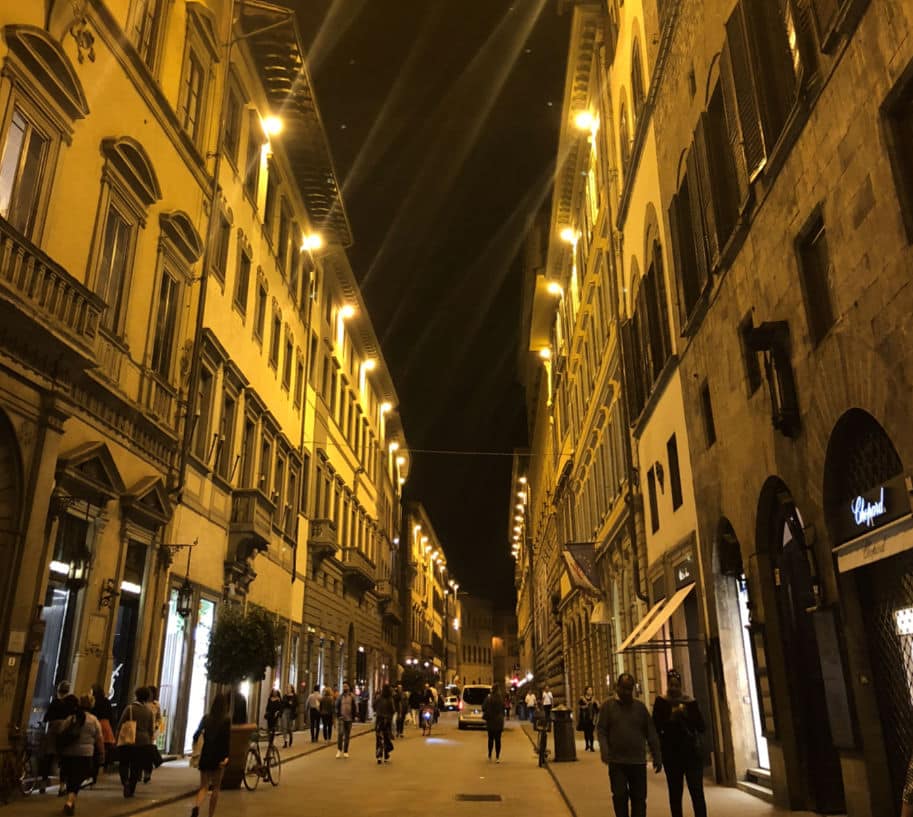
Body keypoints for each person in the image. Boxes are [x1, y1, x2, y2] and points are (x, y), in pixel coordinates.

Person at [597, 673, 662, 817]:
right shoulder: (608, 707)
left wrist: (657, 754)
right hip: (617, 761)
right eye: (624, 688)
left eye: (629, 689)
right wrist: (604, 749)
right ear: (617, 687)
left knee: (639, 799)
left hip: (637, 761)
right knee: (619, 797)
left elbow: (650, 732)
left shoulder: (640, 708)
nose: (626, 692)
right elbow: (601, 730)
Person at [652, 669, 707, 817]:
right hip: (672, 755)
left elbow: (701, 726)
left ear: (681, 685)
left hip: (692, 755)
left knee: (697, 792)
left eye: (677, 685)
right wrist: (671, 718)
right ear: (667, 684)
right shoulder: (661, 702)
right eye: (671, 685)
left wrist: (687, 715)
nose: (674, 688)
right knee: (675, 794)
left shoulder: (690, 702)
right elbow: (656, 727)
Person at [58, 694, 104, 816]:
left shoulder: (71, 718)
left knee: (70, 778)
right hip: (85, 754)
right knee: (77, 779)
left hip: (68, 753)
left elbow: (61, 731)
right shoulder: (93, 720)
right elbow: (99, 739)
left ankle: (70, 802)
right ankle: (69, 802)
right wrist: (102, 754)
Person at [191, 693, 231, 817]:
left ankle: (196, 806)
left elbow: (196, 735)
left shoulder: (206, 718)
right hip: (218, 757)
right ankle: (210, 815)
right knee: (216, 788)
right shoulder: (226, 720)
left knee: (203, 787)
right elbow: (226, 740)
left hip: (206, 755)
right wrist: (226, 757)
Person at [116, 686, 155, 798]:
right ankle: (131, 789)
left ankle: (125, 782)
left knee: (124, 763)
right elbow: (151, 730)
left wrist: (117, 737)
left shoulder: (130, 708)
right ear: (147, 697)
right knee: (136, 766)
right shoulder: (149, 712)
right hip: (143, 742)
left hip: (129, 740)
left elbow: (121, 724)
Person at [43, 680, 73, 794]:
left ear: (59, 691)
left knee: (48, 758)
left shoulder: (55, 703)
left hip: (53, 732)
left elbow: (46, 718)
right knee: (64, 760)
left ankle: (43, 783)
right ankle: (62, 786)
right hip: (65, 732)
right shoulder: (71, 703)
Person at [89, 684, 115, 781]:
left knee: (94, 748)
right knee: (101, 749)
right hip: (105, 725)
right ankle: (96, 772)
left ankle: (91, 772)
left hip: (95, 724)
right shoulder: (106, 701)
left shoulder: (93, 701)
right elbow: (111, 715)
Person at [143, 685, 163, 783]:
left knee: (148, 751)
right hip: (142, 730)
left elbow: (159, 717)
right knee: (143, 751)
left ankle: (147, 772)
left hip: (151, 731)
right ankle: (141, 771)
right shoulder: (143, 703)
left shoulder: (156, 705)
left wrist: (156, 725)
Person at [483, 683, 505, 763]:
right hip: (499, 721)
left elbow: (483, 707)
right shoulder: (500, 699)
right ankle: (497, 756)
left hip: (491, 721)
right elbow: (503, 708)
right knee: (498, 739)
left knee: (490, 739)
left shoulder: (489, 698)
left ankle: (489, 754)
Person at [335, 681, 358, 758]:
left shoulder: (352, 696)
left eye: (346, 686)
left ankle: (346, 751)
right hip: (341, 718)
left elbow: (355, 706)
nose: (344, 688)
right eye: (343, 686)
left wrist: (354, 716)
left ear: (348, 687)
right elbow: (336, 706)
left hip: (349, 718)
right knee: (340, 734)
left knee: (347, 735)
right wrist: (338, 715)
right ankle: (339, 750)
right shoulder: (340, 697)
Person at [374, 683, 395, 764]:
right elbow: (393, 710)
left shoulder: (379, 698)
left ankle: (379, 756)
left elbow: (374, 705)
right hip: (387, 721)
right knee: (386, 738)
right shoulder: (390, 699)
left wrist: (378, 712)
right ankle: (386, 755)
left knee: (379, 738)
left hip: (379, 720)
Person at [578, 685, 599, 752]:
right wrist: (585, 706)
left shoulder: (594, 699)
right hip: (585, 718)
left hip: (592, 718)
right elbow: (579, 707)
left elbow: (597, 709)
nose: (590, 691)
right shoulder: (582, 699)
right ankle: (587, 745)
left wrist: (598, 705)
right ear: (586, 691)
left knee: (591, 732)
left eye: (591, 690)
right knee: (586, 732)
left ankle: (592, 746)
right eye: (589, 690)